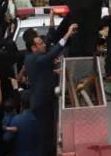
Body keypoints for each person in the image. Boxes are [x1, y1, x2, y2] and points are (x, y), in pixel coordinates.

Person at [23, 19, 79, 156]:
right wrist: (67, 34)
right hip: (42, 103)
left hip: (42, 100)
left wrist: (53, 72)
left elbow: (42, 70)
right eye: (40, 44)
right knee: (46, 136)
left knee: (48, 134)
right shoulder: (36, 59)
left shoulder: (31, 57)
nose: (44, 45)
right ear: (33, 48)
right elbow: (52, 54)